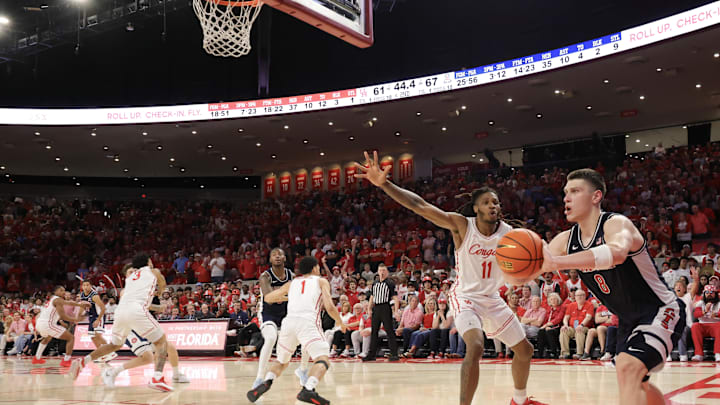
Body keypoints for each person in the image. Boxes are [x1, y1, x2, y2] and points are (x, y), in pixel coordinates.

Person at [356, 151, 546, 405]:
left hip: (492, 298)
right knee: (476, 345)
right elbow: (420, 206)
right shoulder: (462, 226)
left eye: (496, 202)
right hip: (466, 297)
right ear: (476, 207)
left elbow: (534, 258)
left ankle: (519, 401)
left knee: (525, 350)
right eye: (487, 202)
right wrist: (384, 184)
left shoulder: (511, 234)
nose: (494, 206)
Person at [539, 168, 685, 405]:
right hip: (628, 320)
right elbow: (533, 266)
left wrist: (556, 262)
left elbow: (616, 254)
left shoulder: (616, 224)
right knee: (636, 383)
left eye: (575, 191)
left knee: (628, 368)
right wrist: (511, 263)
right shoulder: (566, 240)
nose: (566, 198)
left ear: (596, 196)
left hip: (660, 310)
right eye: (565, 192)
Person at [246, 257, 347, 405]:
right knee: (322, 358)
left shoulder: (292, 283)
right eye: (318, 267)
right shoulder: (321, 281)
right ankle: (308, 388)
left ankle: (266, 382)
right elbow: (330, 306)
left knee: (282, 361)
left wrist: (287, 296)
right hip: (308, 322)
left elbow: (268, 298)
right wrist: (340, 322)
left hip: (289, 323)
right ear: (314, 268)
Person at [69, 255, 173, 392]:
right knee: (161, 342)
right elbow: (163, 284)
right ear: (147, 262)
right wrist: (159, 294)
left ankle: (83, 361)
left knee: (115, 345)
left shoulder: (131, 277)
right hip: (136, 311)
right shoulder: (153, 271)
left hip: (120, 312)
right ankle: (157, 377)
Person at [252, 248, 311, 389]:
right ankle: (259, 378)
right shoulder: (265, 277)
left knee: (307, 336)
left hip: (287, 315)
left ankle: (302, 370)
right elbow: (269, 298)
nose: (277, 256)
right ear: (270, 259)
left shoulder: (291, 275)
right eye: (274, 255)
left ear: (285, 258)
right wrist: (289, 295)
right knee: (271, 338)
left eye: (280, 254)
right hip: (268, 314)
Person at [32, 285, 89, 366]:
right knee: (71, 338)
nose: (64, 292)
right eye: (61, 290)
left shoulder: (54, 299)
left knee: (47, 337)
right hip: (47, 324)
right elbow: (62, 316)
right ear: (56, 292)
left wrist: (79, 305)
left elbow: (69, 302)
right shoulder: (58, 300)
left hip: (40, 324)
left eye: (64, 290)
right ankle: (66, 360)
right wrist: (76, 320)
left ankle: (37, 358)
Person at [362, 263, 400, 361]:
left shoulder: (390, 283)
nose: (382, 272)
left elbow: (395, 298)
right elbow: (372, 297)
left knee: (389, 331)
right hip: (376, 308)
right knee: (374, 331)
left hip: (385, 307)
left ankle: (394, 354)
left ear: (387, 272)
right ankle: (371, 354)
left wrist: (396, 311)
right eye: (380, 270)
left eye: (384, 270)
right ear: (378, 272)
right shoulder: (375, 283)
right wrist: (369, 309)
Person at [79, 280, 117, 363]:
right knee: (93, 337)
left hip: (98, 316)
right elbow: (82, 307)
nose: (85, 287)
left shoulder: (94, 295)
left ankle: (111, 352)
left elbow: (103, 308)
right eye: (84, 285)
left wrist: (98, 319)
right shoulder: (82, 295)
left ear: (91, 286)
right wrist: (78, 317)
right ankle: (102, 355)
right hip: (91, 317)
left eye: (87, 285)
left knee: (98, 336)